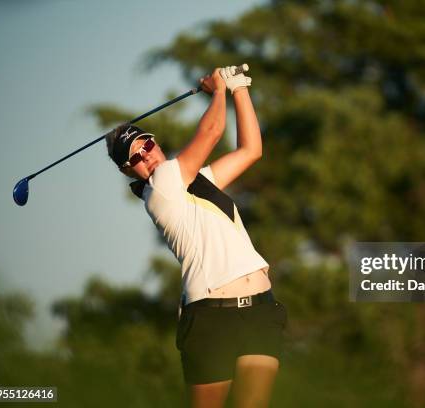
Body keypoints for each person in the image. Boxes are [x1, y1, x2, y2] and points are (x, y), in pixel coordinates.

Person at [105, 65, 286, 408]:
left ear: (156, 143)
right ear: (128, 171)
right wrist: (217, 90)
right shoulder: (160, 187)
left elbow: (251, 150)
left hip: (260, 308)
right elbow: (213, 130)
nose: (147, 157)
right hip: (210, 318)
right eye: (136, 158)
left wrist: (239, 89)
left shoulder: (194, 181)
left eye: (147, 145)